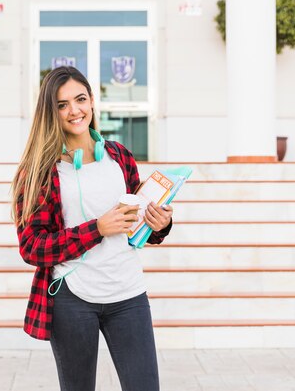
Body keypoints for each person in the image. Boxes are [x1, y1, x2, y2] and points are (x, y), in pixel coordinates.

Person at [10, 66, 173, 391]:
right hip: (73, 299)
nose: (74, 110)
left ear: (92, 101)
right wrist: (97, 229)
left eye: (80, 99)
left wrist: (159, 224)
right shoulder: (41, 172)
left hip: (128, 294)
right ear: (50, 112)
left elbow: (137, 224)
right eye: (62, 104)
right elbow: (31, 246)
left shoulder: (120, 157)